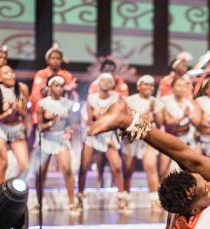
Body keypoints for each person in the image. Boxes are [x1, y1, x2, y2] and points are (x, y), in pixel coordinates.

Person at [29, 75, 79, 215]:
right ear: (49, 87)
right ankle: (39, 202)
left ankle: (71, 202)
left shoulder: (68, 104)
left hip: (61, 139)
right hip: (46, 139)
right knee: (41, 173)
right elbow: (39, 126)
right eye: (56, 85)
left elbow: (72, 123)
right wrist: (52, 121)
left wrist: (69, 130)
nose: (59, 88)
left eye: (61, 86)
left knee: (67, 169)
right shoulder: (42, 104)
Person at [79, 73, 128, 212]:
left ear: (112, 84)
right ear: (98, 83)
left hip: (108, 134)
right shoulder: (91, 98)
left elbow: (117, 117)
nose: (106, 83)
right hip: (94, 133)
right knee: (83, 167)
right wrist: (98, 118)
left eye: (109, 81)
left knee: (117, 167)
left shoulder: (116, 98)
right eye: (103, 80)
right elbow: (90, 120)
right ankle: (80, 198)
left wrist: (103, 116)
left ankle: (122, 199)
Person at [123, 75, 164, 212]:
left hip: (148, 138)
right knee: (128, 169)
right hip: (132, 138)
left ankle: (154, 201)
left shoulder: (156, 102)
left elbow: (160, 122)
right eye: (145, 84)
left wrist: (154, 112)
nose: (148, 87)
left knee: (151, 168)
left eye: (151, 85)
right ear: (139, 86)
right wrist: (147, 114)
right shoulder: (129, 100)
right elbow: (132, 120)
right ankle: (124, 198)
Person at [0, 65, 30, 187]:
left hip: (16, 128)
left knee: (25, 166)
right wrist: (8, 112)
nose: (11, 75)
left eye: (12, 72)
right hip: (0, 127)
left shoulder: (22, 88)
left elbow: (25, 113)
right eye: (6, 73)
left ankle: (11, 187)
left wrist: (17, 108)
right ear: (0, 79)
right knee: (3, 163)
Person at [29, 43, 77, 127]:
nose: (55, 60)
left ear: (61, 60)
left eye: (58, 58)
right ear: (47, 60)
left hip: (63, 109)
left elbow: (72, 96)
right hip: (44, 110)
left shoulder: (67, 75)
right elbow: (36, 94)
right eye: (53, 58)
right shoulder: (41, 73)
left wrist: (69, 89)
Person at [160, 76, 201, 176]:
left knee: (191, 171)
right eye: (178, 85)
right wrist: (183, 117)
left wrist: (190, 116)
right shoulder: (164, 101)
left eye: (184, 86)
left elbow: (197, 122)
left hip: (188, 140)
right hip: (169, 139)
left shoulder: (191, 103)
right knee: (163, 171)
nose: (181, 88)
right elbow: (167, 122)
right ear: (172, 87)